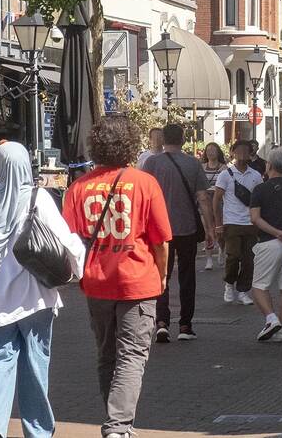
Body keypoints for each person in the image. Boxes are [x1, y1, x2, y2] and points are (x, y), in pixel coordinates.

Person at [0, 142, 83, 438]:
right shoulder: (38, 196)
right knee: (35, 366)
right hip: (34, 297)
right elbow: (64, 239)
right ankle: (38, 430)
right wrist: (78, 269)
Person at [61, 116, 171, 438]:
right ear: (129, 143)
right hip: (137, 280)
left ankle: (116, 421)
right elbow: (161, 240)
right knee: (132, 354)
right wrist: (162, 276)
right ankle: (118, 426)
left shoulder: (77, 188)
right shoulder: (144, 183)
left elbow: (68, 240)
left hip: (96, 282)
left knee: (107, 353)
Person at [141, 124, 213, 343]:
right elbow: (202, 197)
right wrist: (210, 228)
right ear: (183, 139)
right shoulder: (192, 163)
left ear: (163, 139)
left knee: (161, 276)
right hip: (187, 227)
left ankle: (161, 322)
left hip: (158, 229)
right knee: (187, 276)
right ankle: (185, 325)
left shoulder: (151, 163)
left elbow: (143, 196)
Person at [249, 149, 282, 342]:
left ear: (269, 165)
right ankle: (279, 329)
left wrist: (275, 232)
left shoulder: (260, 189)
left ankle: (272, 320)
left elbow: (255, 218)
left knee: (259, 285)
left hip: (268, 242)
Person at [214, 140, 264, 305]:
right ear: (232, 153)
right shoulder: (225, 174)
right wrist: (218, 224)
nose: (242, 153)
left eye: (245, 150)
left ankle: (243, 290)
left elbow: (260, 200)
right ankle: (229, 284)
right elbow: (216, 199)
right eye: (238, 150)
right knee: (233, 256)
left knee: (249, 259)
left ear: (250, 153)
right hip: (232, 222)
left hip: (250, 224)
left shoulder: (256, 176)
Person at [201, 142, 229, 271]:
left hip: (219, 201)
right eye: (208, 150)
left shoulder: (224, 168)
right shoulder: (201, 167)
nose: (210, 152)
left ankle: (221, 251)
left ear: (218, 152)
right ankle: (209, 259)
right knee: (207, 230)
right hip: (205, 201)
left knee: (219, 230)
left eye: (213, 150)